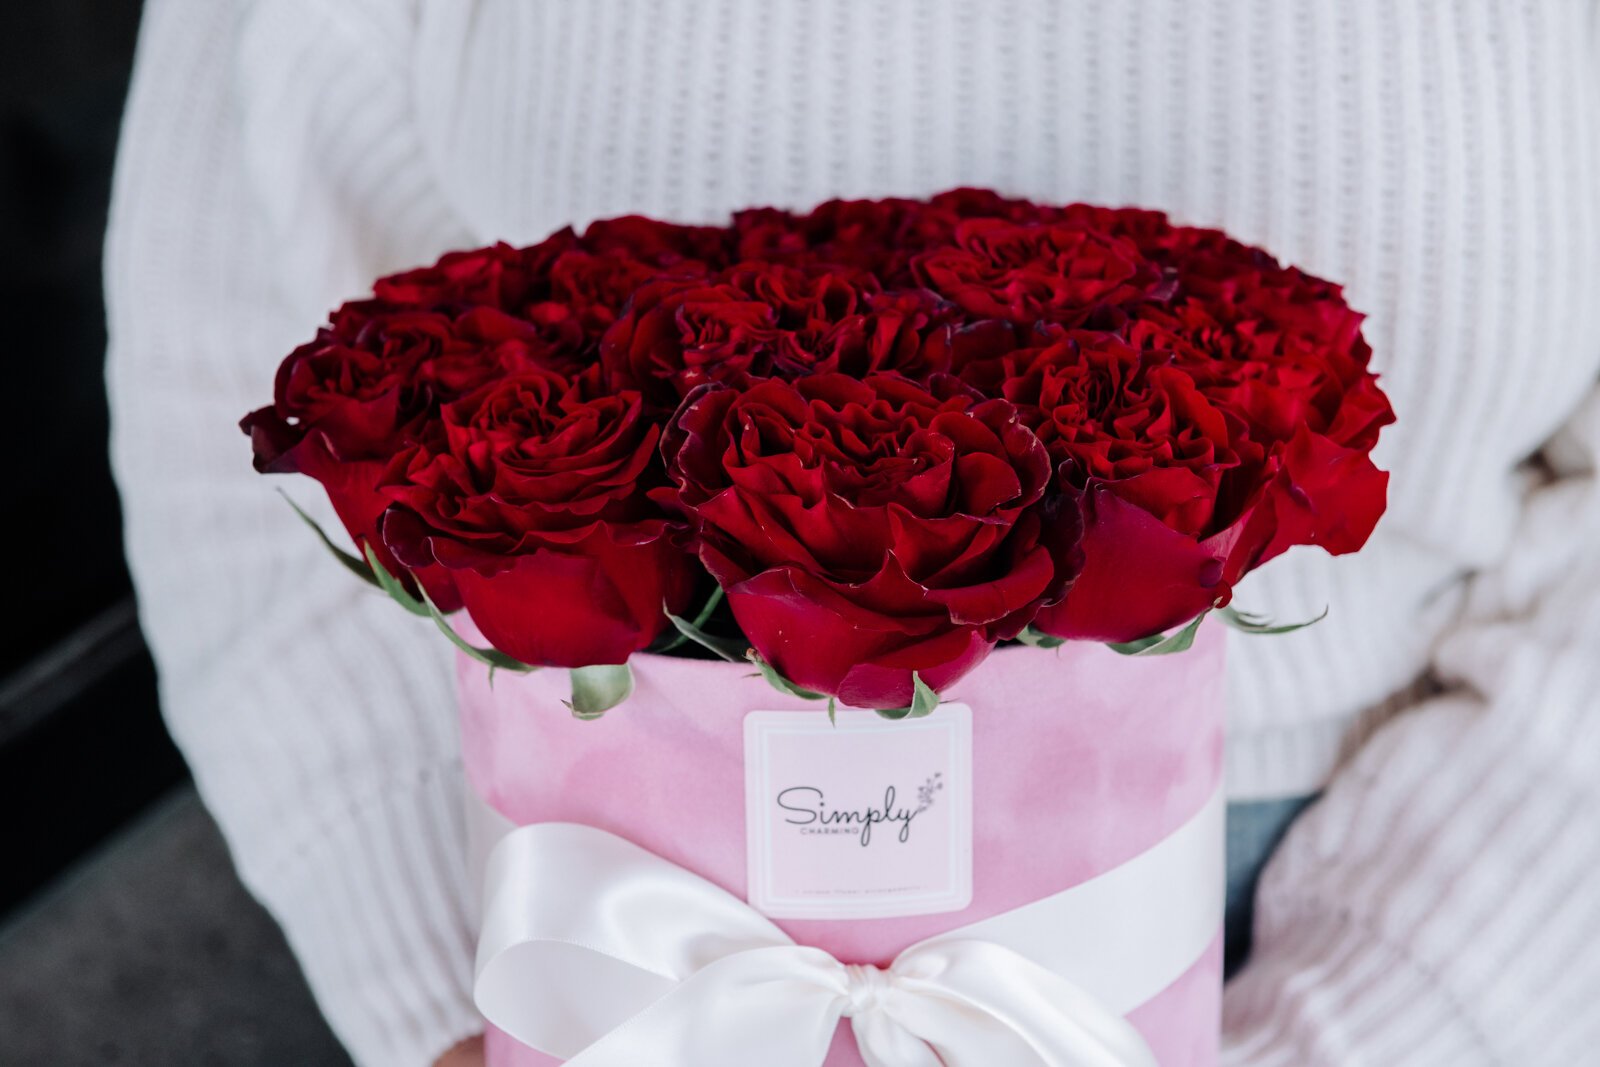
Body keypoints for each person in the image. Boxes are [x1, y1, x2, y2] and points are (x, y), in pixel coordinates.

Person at [106, 2, 1600, 1064]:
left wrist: (1376, 1023)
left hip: (1415, 889)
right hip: (602, 921)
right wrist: (479, 997)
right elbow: (220, 344)